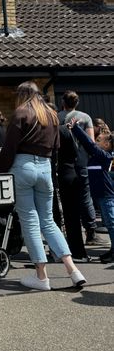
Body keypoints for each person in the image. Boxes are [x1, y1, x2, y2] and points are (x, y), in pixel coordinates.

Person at [0, 81, 86, 290]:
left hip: (23, 166)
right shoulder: (52, 115)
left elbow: (8, 149)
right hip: (45, 168)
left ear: (23, 94)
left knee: (30, 221)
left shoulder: (21, 113)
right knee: (48, 221)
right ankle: (73, 270)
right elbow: (57, 146)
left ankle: (41, 277)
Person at [69, 121, 114, 263]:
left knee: (111, 224)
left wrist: (76, 128)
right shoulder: (97, 157)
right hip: (101, 196)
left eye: (99, 140)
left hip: (107, 195)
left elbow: (89, 145)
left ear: (107, 145)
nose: (96, 141)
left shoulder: (104, 156)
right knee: (108, 223)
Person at [59, 91, 99, 245]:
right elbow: (91, 142)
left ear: (63, 102)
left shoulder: (57, 117)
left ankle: (71, 235)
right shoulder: (85, 117)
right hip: (82, 160)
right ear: (76, 102)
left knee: (67, 199)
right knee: (85, 195)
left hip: (64, 161)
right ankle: (90, 232)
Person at [56, 124, 90, 262]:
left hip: (61, 175)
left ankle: (70, 250)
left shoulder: (55, 133)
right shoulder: (66, 132)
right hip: (71, 174)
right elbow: (77, 153)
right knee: (73, 218)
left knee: (66, 217)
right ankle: (78, 252)